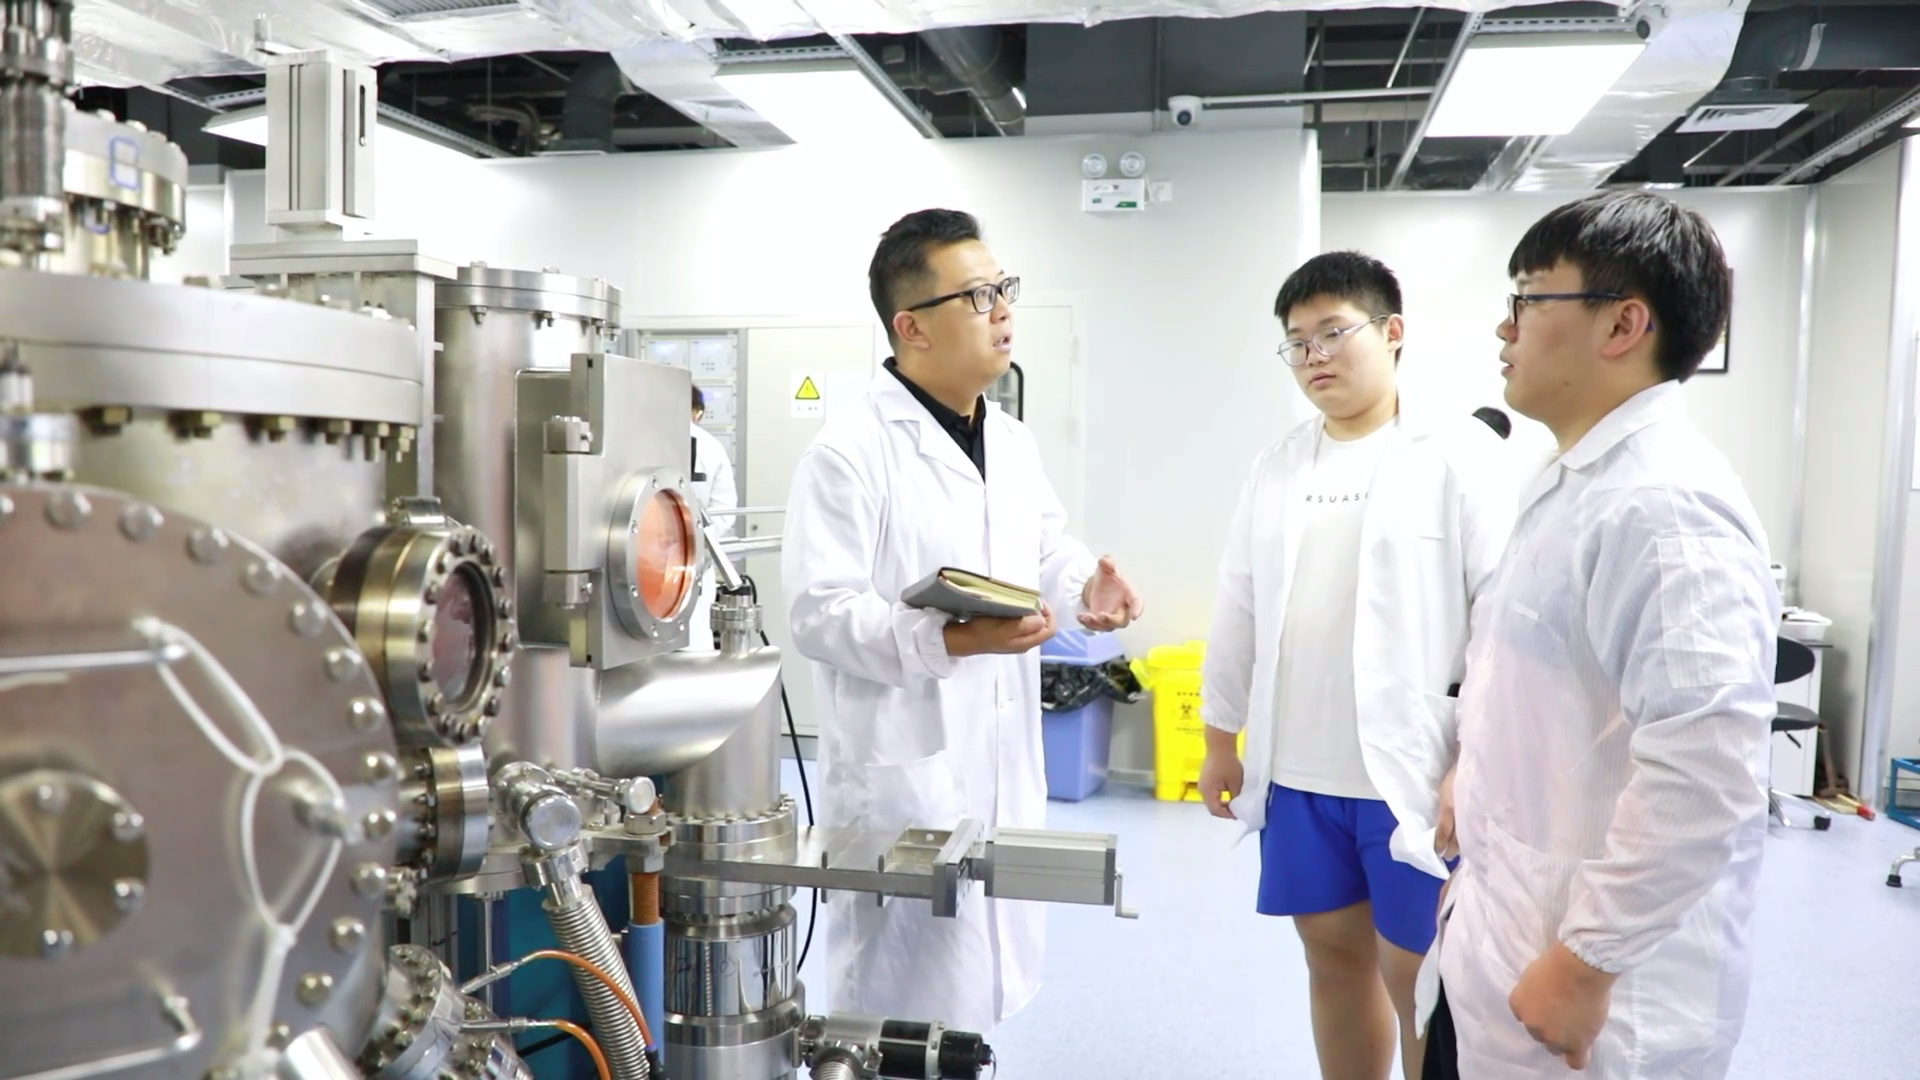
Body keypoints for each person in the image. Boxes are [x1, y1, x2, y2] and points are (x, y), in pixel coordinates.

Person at [1420, 191, 1779, 1080]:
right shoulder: (1576, 482)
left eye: (1528, 298)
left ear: (1622, 324)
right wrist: (1474, 768)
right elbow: (1542, 684)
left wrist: (1587, 962)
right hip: (1501, 944)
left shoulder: (1663, 506)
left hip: (1593, 1001)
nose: (1504, 328)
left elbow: (1707, 766)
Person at [781, 208, 1143, 1033]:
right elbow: (818, 614)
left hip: (997, 758)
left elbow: (1042, 547)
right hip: (906, 771)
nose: (1004, 310)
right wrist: (948, 640)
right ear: (911, 326)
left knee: (978, 1002)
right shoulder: (849, 452)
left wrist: (1086, 584)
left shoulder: (1009, 439)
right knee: (902, 1014)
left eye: (1004, 288)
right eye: (979, 296)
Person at [1198, 251, 1514, 1080]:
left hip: (1414, 771)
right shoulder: (1277, 464)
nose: (1315, 356)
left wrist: (1475, 759)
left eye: (1334, 332)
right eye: (1297, 342)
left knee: (1421, 977)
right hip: (1300, 772)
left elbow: (1502, 618)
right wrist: (1220, 737)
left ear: (1393, 331)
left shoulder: (1460, 454)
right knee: (1332, 960)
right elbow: (1238, 603)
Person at [687, 385, 737, 651]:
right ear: (698, 412)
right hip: (695, 563)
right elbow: (724, 510)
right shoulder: (711, 446)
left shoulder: (639, 441)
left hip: (643, 564)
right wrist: (698, 543)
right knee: (693, 647)